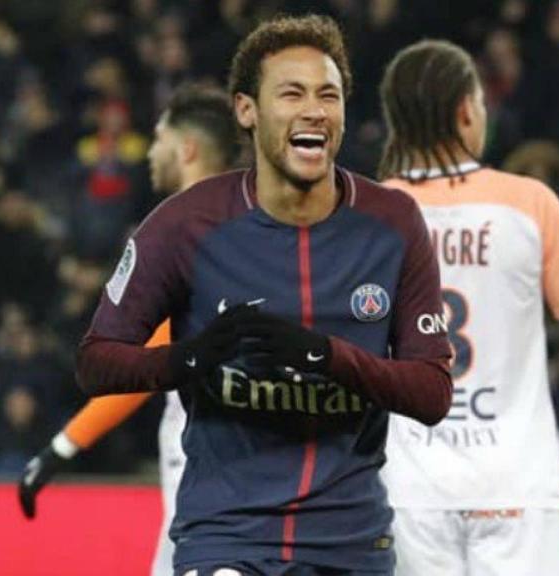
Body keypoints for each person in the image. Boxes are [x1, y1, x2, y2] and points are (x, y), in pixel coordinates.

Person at [76, 15, 452, 575]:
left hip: (350, 542)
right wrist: (191, 357)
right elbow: (96, 362)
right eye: (292, 93)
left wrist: (325, 356)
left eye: (329, 95)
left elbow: (432, 391)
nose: (314, 110)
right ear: (247, 111)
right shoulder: (185, 224)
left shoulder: (392, 222)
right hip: (228, 534)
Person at [376, 39, 559, 576]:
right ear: (467, 111)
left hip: (407, 490)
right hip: (515, 487)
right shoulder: (529, 204)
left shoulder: (370, 213)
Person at [17, 83, 241, 576]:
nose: (150, 151)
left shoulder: (183, 232)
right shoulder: (257, 223)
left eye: (159, 138)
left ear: (186, 149)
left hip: (209, 460)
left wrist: (64, 444)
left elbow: (152, 359)